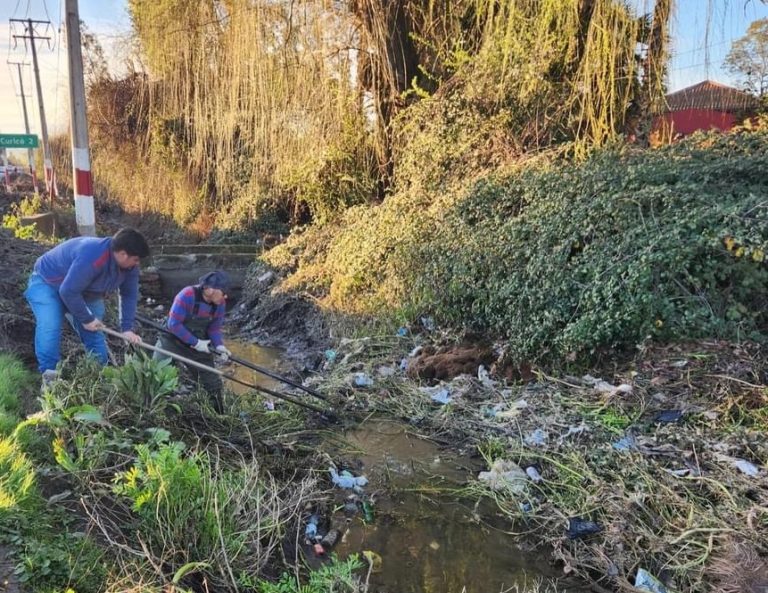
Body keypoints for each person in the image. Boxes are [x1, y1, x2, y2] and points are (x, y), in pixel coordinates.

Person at [24, 227, 150, 387]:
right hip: (48, 283)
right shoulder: (93, 255)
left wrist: (127, 328)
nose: (138, 264)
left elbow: (129, 294)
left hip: (85, 292)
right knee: (50, 326)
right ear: (123, 254)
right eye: (137, 259)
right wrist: (86, 318)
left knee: (95, 333)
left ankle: (98, 378)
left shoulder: (130, 266)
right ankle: (50, 378)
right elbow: (68, 291)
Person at [153, 270, 232, 413]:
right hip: (171, 340)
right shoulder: (187, 295)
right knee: (157, 377)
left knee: (212, 384)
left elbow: (214, 328)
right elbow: (173, 324)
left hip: (198, 345)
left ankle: (219, 416)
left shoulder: (219, 303)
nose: (226, 295)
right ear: (209, 290)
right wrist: (196, 342)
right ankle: (156, 413)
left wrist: (219, 346)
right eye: (223, 291)